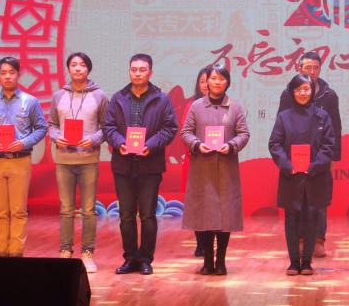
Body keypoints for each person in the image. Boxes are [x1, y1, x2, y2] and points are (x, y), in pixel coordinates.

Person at [104, 53, 178, 275]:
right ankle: (130, 258)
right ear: (129, 71)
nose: (137, 73)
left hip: (150, 165)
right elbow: (108, 127)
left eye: (142, 70)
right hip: (123, 164)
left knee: (147, 215)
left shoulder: (161, 99)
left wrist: (151, 145)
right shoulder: (118, 98)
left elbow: (170, 128)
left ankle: (145, 259)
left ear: (150, 72)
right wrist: (119, 143)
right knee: (126, 216)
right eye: (133, 69)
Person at [0, 56, 47, 257]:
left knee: (18, 211)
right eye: (3, 73)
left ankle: (16, 254)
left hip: (20, 160)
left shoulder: (30, 101)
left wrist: (25, 142)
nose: (7, 76)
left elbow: (41, 128)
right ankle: (1, 253)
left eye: (11, 72)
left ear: (18, 74)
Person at [181, 64, 250, 276]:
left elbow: (244, 134)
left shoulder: (235, 107)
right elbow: (186, 132)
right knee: (203, 215)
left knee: (225, 216)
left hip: (226, 168)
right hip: (202, 169)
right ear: (207, 82)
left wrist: (231, 145)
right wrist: (196, 144)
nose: (217, 82)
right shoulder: (196, 107)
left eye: (221, 78)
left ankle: (220, 260)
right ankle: (207, 261)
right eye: (213, 78)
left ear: (227, 82)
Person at [48, 51, 109, 273]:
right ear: (68, 69)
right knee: (66, 209)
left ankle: (87, 253)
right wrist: (56, 137)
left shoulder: (99, 95)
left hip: (88, 159)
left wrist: (92, 139)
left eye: (82, 65)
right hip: (64, 159)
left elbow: (106, 127)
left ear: (88, 69)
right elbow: (52, 125)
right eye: (73, 65)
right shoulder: (59, 95)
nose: (77, 68)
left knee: (88, 209)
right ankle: (65, 250)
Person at [269, 74, 336, 276]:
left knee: (311, 217)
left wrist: (314, 166)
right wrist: (287, 165)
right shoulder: (284, 117)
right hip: (291, 176)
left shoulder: (322, 116)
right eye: (298, 89)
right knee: (291, 219)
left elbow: (328, 145)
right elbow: (275, 144)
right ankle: (293, 262)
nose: (303, 93)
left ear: (312, 91)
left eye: (306, 89)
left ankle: (307, 262)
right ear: (292, 92)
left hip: (315, 175)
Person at [278, 51, 341, 258]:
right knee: (296, 199)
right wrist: (286, 160)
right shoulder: (288, 93)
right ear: (300, 68)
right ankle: (300, 240)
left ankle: (319, 239)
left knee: (319, 199)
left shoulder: (329, 95)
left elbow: (336, 127)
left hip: (319, 157)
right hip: (294, 160)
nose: (312, 72)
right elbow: (281, 125)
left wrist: (332, 157)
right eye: (308, 68)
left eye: (315, 68)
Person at [182, 66, 212, 258]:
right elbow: (185, 134)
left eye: (210, 80)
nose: (206, 85)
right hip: (195, 161)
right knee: (198, 204)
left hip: (218, 161)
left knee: (214, 204)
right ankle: (201, 243)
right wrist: (198, 147)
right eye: (202, 81)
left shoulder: (228, 106)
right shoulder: (191, 106)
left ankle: (213, 241)